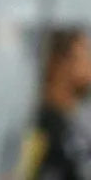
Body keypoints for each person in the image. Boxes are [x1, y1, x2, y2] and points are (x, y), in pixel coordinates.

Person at [17, 27, 91, 180]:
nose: (89, 65)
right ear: (59, 61)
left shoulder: (72, 124)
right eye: (85, 53)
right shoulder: (42, 130)